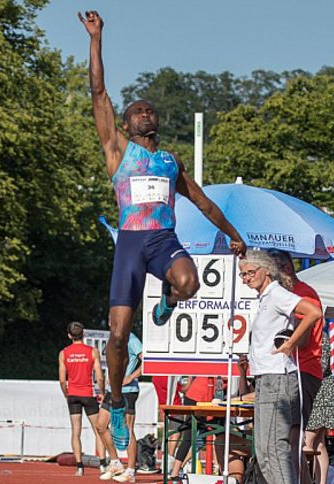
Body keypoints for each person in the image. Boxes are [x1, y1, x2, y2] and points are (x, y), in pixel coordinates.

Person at [78, 11, 247, 447]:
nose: (144, 114)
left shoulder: (171, 162)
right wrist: (97, 39)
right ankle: (116, 402)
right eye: (137, 111)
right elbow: (98, 91)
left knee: (189, 283)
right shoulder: (118, 150)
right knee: (117, 334)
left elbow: (203, 201)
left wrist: (232, 232)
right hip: (131, 244)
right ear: (128, 123)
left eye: (149, 111)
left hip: (162, 238)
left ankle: (168, 303)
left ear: (156, 122)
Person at [240, 249, 323, 484]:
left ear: (267, 271)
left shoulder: (276, 294)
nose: (246, 278)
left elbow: (313, 312)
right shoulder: (264, 299)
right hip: (265, 376)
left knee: (275, 445)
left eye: (250, 272)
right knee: (263, 447)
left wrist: (291, 343)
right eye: (243, 274)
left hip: (278, 377)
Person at [268, 250, 326, 484]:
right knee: (289, 440)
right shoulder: (284, 294)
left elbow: (304, 338)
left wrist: (284, 339)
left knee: (292, 440)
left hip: (304, 371)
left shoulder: (303, 294)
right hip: (290, 370)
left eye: (278, 269)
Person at [58, 322, 106, 476]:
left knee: (75, 431)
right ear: (83, 334)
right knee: (99, 430)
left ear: (69, 335)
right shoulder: (93, 351)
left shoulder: (64, 353)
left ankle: (79, 467)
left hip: (73, 394)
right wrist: (103, 392)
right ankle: (103, 464)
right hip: (88, 394)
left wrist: (66, 393)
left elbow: (61, 379)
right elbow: (99, 376)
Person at [305, 328, 334, 484]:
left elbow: (319, 365)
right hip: (322, 390)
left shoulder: (319, 338)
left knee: (308, 443)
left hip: (318, 391)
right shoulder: (322, 337)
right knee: (319, 444)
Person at [101, 332, 144, 484]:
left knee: (128, 428)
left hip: (128, 391)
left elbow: (147, 360)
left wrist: (131, 377)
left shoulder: (131, 339)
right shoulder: (113, 339)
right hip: (112, 390)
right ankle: (115, 462)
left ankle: (131, 470)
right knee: (101, 425)